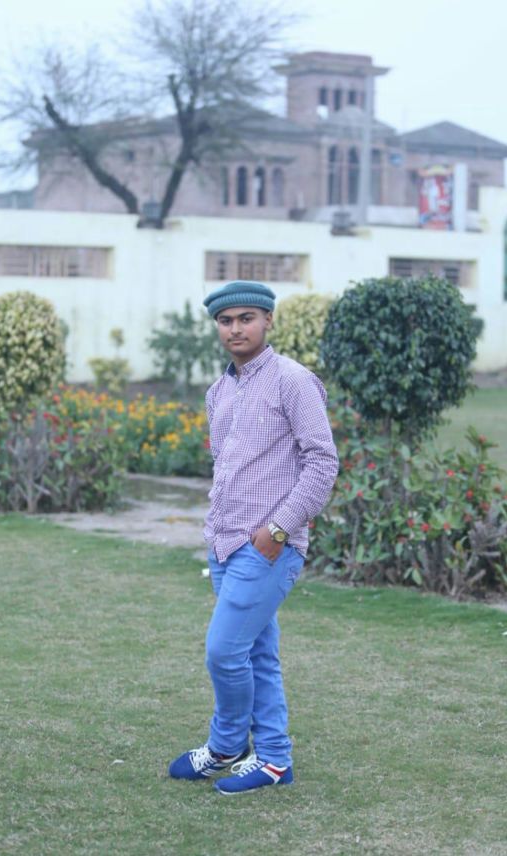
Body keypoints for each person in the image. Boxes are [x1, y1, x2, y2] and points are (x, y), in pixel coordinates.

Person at [168, 280, 338, 795]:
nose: (235, 329)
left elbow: (322, 463)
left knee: (223, 652)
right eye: (226, 321)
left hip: (269, 546)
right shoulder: (218, 391)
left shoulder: (293, 380)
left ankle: (226, 745)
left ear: (268, 321)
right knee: (256, 654)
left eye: (246, 318)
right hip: (223, 544)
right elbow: (227, 466)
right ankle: (274, 760)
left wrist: (278, 529)